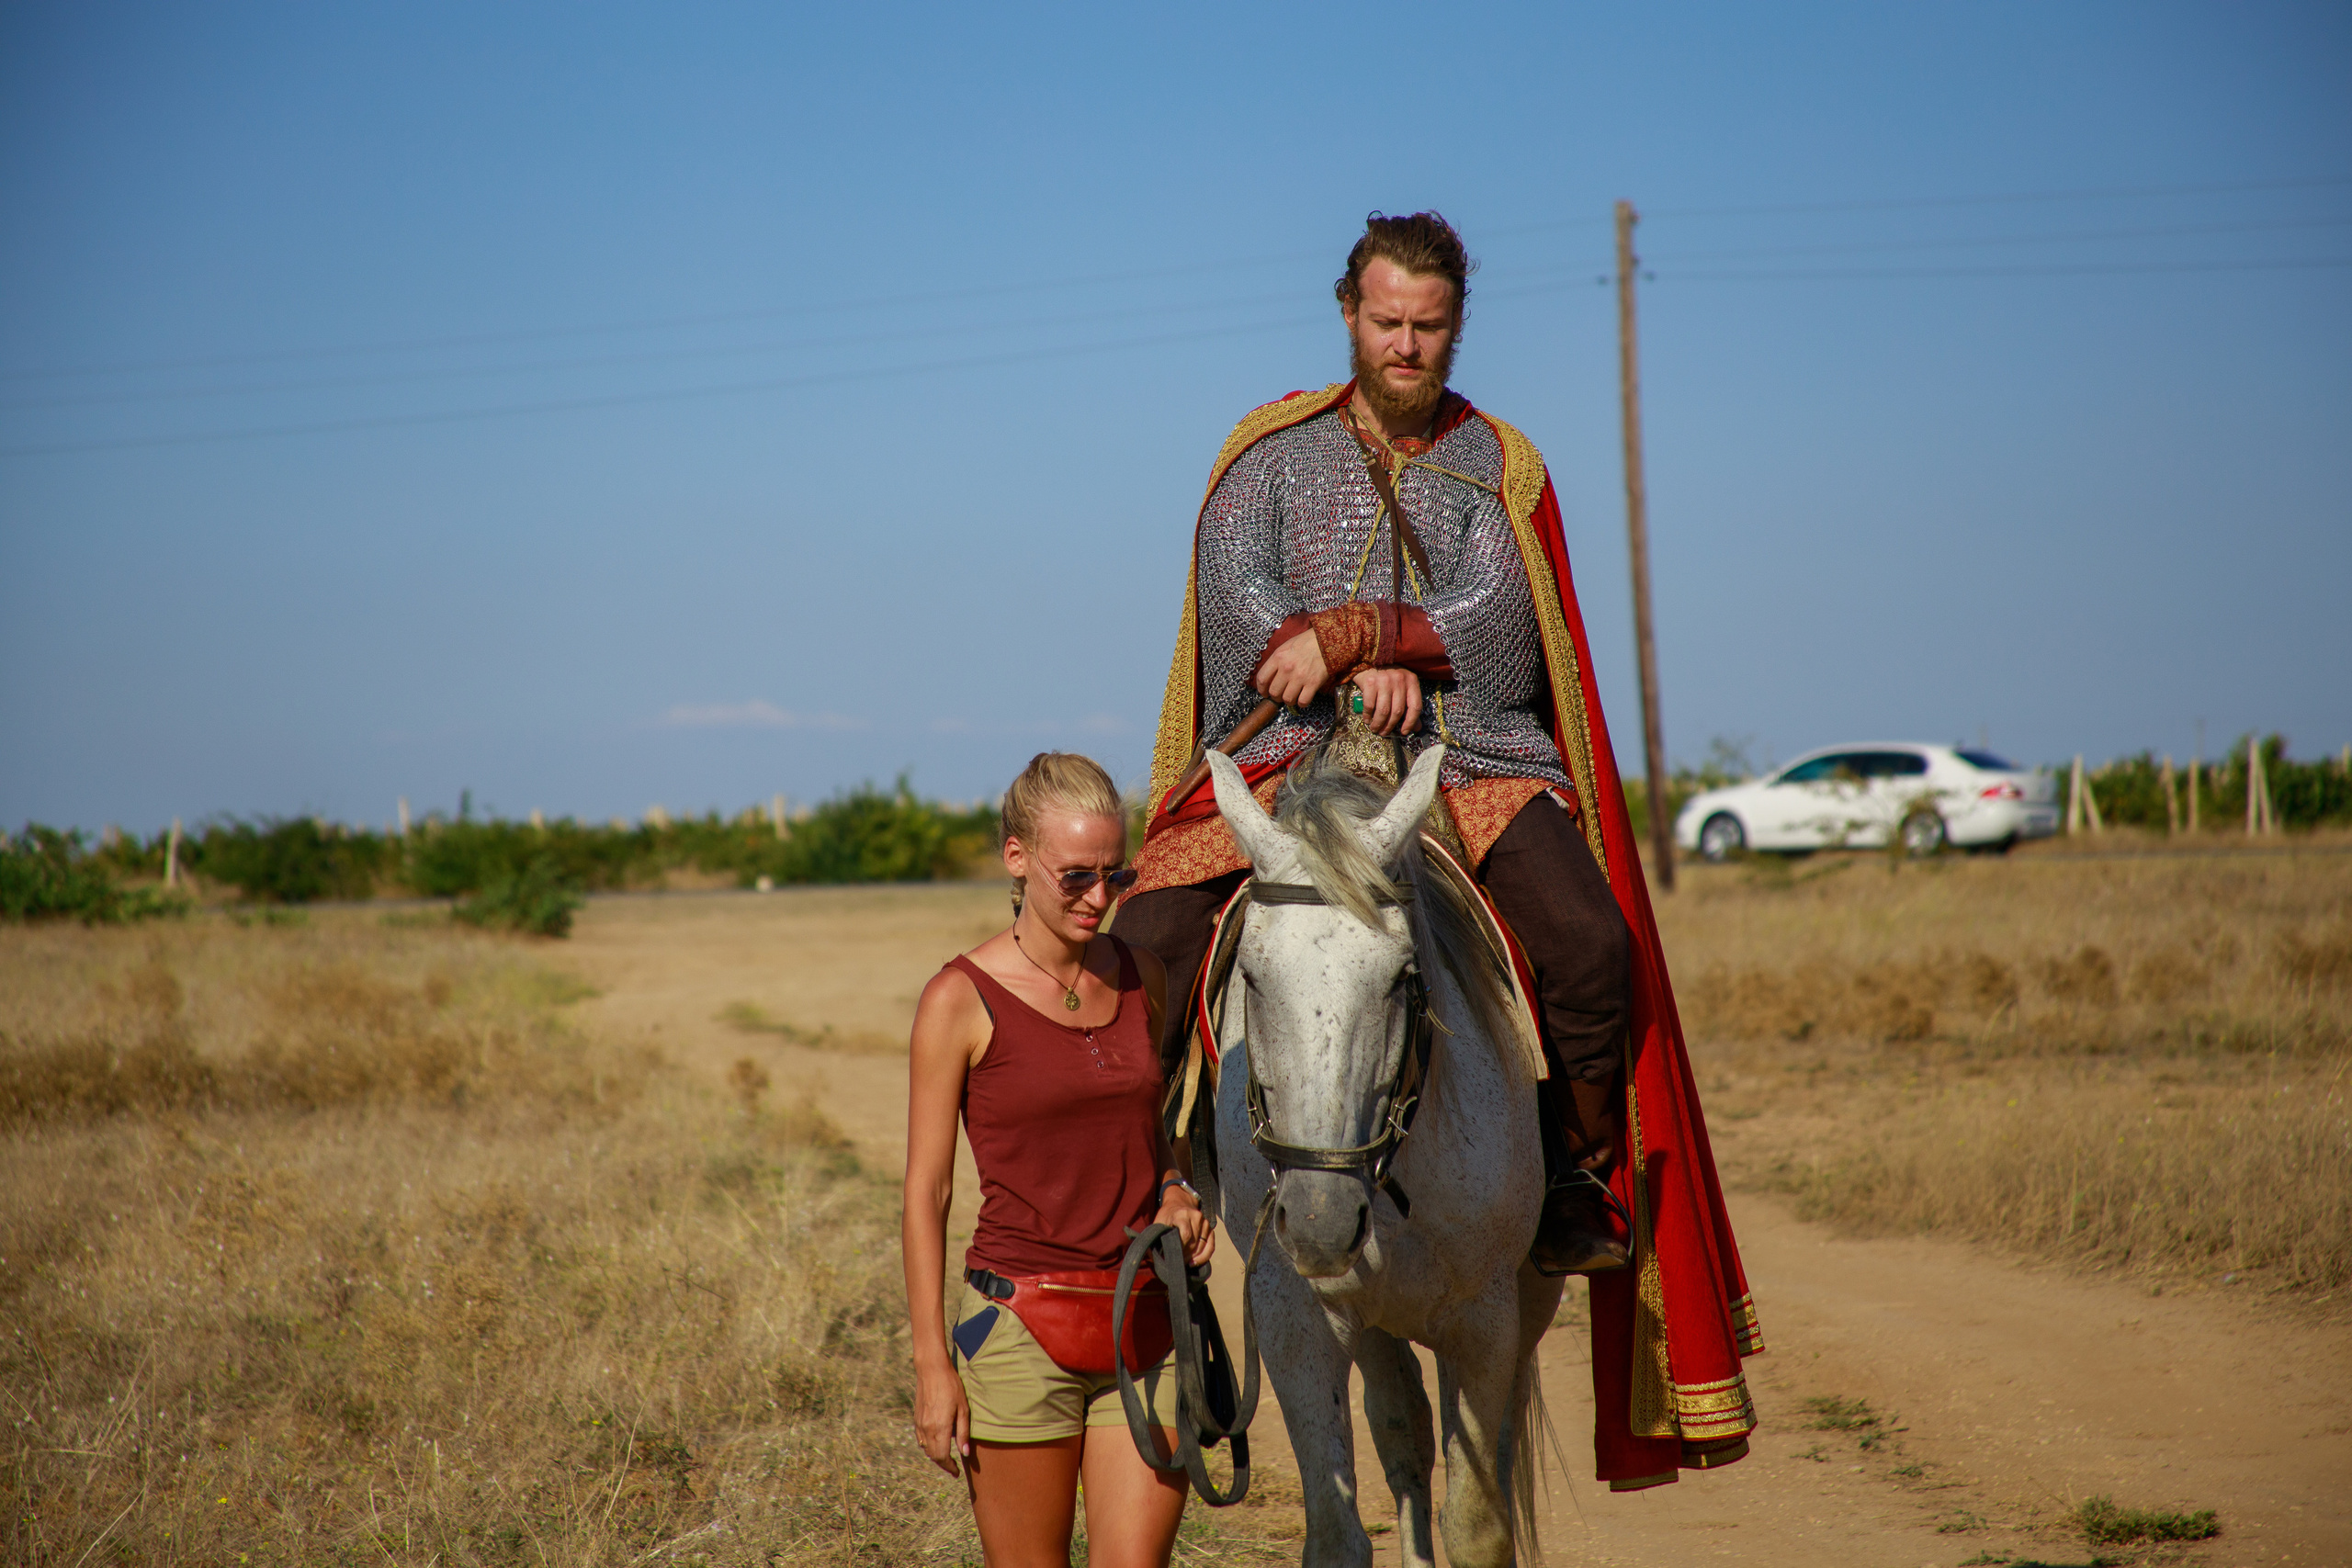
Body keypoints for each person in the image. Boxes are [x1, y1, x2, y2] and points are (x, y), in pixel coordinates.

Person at [1114, 212, 1764, 1491]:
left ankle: (1572, 1183)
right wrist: (1343, 662)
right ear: (1346, 316)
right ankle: (1164, 1189)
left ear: (1455, 326)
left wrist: (1376, 637)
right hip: (1281, 753)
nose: (1405, 344)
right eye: (1385, 320)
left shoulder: (1495, 464)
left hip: (1468, 760)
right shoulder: (1269, 455)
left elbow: (1506, 631)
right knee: (1136, 949)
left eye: (1428, 325)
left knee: (1588, 944)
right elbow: (1238, 595)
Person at [902, 751, 1216, 1568]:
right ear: (1016, 857)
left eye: (1116, 874)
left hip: (1145, 1319)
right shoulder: (957, 998)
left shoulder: (1142, 973)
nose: (1100, 899)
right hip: (1016, 1330)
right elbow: (926, 1190)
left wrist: (1177, 1185)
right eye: (1076, 875)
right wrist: (933, 1362)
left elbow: (1156, 1127)